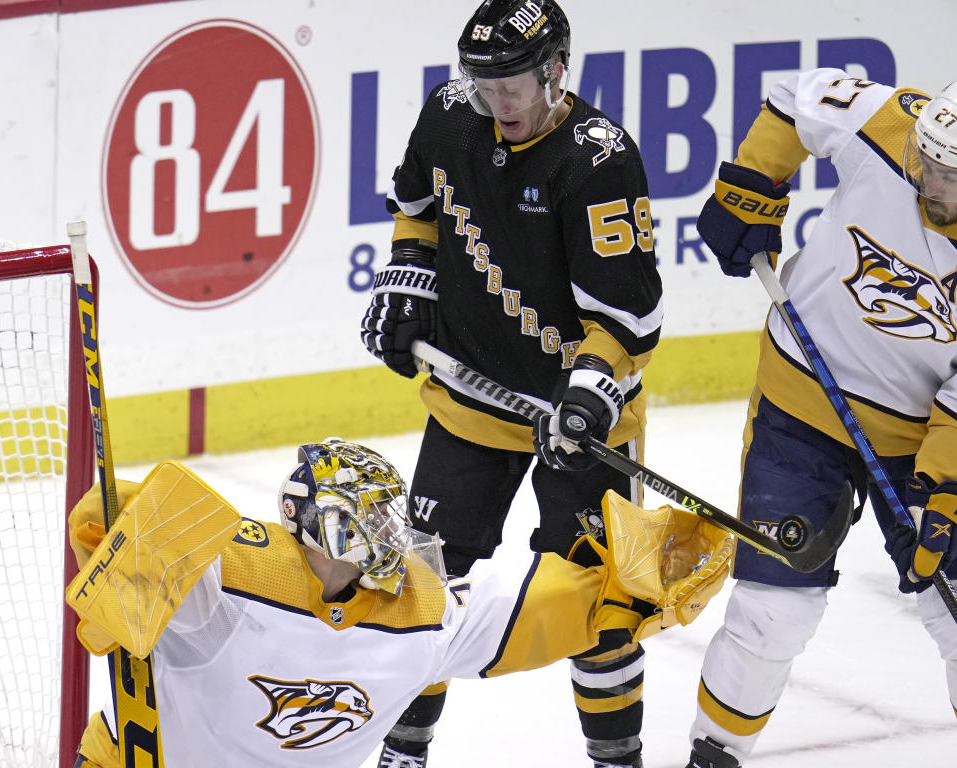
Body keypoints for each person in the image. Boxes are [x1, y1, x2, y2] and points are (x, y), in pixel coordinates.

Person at [359, 1, 663, 765]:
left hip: (582, 418)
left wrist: (590, 391)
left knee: (600, 603)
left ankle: (616, 758)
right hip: (470, 401)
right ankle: (403, 754)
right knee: (420, 581)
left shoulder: (598, 160)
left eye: (515, 85)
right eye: (485, 83)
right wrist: (409, 274)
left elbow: (629, 318)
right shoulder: (451, 114)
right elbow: (416, 209)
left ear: (555, 70)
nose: (500, 102)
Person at [67, 437, 731, 768]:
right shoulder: (231, 572)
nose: (387, 538)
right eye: (365, 522)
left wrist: (630, 583)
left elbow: (538, 607)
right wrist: (128, 536)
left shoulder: (421, 612)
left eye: (388, 520)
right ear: (311, 520)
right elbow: (100, 520)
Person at [684, 68, 957, 767]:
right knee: (775, 608)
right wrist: (751, 186)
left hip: (922, 433)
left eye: (949, 175)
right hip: (800, 401)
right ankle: (714, 753)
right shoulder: (894, 120)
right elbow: (792, 99)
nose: (928, 178)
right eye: (928, 159)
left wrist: (944, 488)